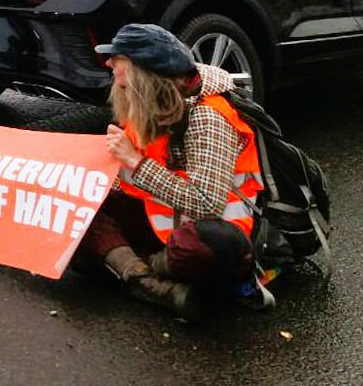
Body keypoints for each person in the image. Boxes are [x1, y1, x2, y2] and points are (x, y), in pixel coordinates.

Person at [73, 23, 274, 321]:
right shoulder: (146, 102)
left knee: (197, 248)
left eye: (119, 58)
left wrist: (136, 163)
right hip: (164, 220)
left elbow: (207, 204)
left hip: (214, 235)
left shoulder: (208, 116)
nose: (109, 64)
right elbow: (131, 182)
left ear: (143, 71)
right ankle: (149, 284)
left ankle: (136, 265)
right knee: (78, 205)